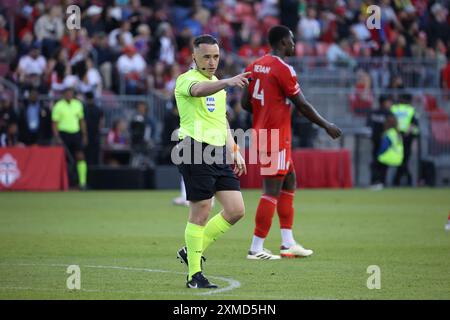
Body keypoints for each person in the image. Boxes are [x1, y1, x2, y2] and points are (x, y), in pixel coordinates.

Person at [241, 25, 342, 260]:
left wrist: (265, 110)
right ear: (283, 42)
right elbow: (302, 104)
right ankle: (256, 247)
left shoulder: (253, 65)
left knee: (290, 181)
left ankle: (288, 243)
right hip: (275, 135)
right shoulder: (284, 68)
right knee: (270, 191)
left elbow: (245, 103)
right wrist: (326, 125)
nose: (295, 45)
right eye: (292, 41)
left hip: (264, 133)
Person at [174, 34, 250, 289]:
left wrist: (235, 149)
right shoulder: (187, 80)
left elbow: (222, 121)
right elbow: (197, 91)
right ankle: (194, 275)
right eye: (206, 56)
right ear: (193, 56)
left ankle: (191, 250)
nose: (211, 61)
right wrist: (227, 81)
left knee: (236, 209)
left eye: (216, 56)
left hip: (217, 152)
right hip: (193, 148)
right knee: (202, 211)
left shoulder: (217, 83)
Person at [52, 85, 88, 189]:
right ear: (63, 94)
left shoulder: (77, 104)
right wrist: (56, 136)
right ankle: (63, 183)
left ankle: (82, 182)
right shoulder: (58, 106)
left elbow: (81, 121)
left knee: (80, 156)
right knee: (63, 159)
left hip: (75, 133)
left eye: (71, 93)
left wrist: (84, 134)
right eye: (67, 93)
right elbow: (54, 123)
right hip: (63, 134)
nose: (69, 95)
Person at [390, 94, 419, 186]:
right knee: (404, 159)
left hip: (396, 136)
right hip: (407, 137)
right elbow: (414, 124)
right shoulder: (411, 110)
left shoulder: (394, 108)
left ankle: (397, 180)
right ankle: (404, 180)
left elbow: (390, 121)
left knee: (401, 160)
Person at [367, 95, 394, 186]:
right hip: (384, 142)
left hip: (375, 140)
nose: (389, 104)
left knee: (376, 162)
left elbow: (368, 125)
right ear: (384, 102)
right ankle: (381, 181)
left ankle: (375, 181)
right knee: (382, 162)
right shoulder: (388, 113)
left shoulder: (373, 112)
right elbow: (393, 126)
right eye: (388, 102)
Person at [373, 114, 404, 188]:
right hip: (398, 158)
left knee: (377, 163)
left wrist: (378, 155)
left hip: (388, 158)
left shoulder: (389, 133)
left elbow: (384, 147)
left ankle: (379, 183)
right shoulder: (398, 133)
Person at [83, 91, 104, 166]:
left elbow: (83, 122)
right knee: (95, 154)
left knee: (88, 154)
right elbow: (101, 122)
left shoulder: (84, 109)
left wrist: (84, 134)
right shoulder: (98, 108)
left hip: (88, 134)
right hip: (95, 134)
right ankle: (96, 170)